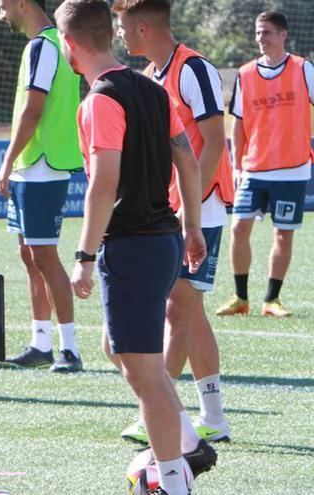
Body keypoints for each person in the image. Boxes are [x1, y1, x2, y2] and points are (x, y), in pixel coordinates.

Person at [56, 0, 216, 493]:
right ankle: (188, 441)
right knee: (118, 347)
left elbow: (104, 182)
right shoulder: (152, 87)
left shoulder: (100, 99)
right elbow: (187, 158)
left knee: (145, 373)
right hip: (164, 238)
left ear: (69, 45)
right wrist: (190, 225)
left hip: (132, 245)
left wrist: (83, 257)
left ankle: (174, 479)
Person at [112, 0, 233, 444]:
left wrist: (190, 210)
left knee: (178, 309)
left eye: (122, 27)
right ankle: (212, 418)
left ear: (143, 27)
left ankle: (157, 416)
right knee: (190, 311)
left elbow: (215, 144)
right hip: (176, 210)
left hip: (203, 207)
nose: (120, 36)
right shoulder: (150, 77)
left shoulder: (194, 69)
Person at [0, 0, 84, 372]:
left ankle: (70, 349)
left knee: (44, 257)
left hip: (41, 166)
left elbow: (34, 110)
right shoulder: (49, 44)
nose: (0, 10)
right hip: (32, 165)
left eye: (3, 4)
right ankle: (40, 343)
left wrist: (6, 161)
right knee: (31, 257)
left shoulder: (45, 45)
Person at [217, 10, 314, 318]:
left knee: (283, 234)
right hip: (254, 169)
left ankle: (271, 299)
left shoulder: (303, 68)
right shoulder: (245, 74)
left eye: (267, 32)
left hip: (293, 168)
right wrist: (236, 166)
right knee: (238, 228)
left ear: (283, 34)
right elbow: (239, 124)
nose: (261, 38)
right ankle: (240, 297)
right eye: (258, 33)